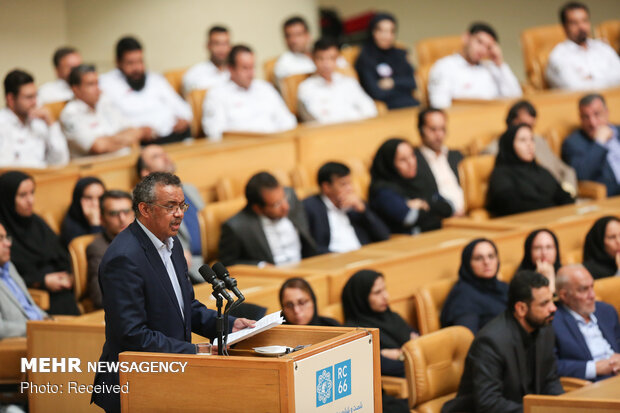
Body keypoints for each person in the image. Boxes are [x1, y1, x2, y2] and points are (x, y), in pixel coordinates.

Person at [91, 172, 255, 413]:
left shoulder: (172, 243)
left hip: (169, 378)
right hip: (135, 385)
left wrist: (229, 327)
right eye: (170, 206)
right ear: (145, 210)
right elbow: (132, 334)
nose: (179, 213)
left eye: (182, 205)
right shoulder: (124, 258)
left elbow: (186, 306)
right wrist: (193, 350)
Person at [442, 270, 563, 413]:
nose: (553, 308)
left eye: (552, 300)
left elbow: (550, 380)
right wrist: (537, 411)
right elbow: (489, 404)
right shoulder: (490, 342)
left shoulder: (544, 329)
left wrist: (561, 407)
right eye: (544, 304)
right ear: (521, 309)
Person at [0, 171, 79, 315]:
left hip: (61, 289)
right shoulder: (2, 232)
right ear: (7, 199)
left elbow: (61, 254)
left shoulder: (37, 223)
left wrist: (68, 275)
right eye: (23, 195)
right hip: (34, 297)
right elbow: (7, 276)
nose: (30, 200)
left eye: (32, 193)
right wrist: (42, 281)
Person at [99, 36, 192, 145]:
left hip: (174, 135)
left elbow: (184, 109)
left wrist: (184, 120)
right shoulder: (106, 84)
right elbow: (109, 122)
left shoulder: (155, 79)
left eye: (140, 61)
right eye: (130, 63)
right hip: (141, 143)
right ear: (118, 62)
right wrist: (139, 132)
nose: (137, 68)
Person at [136, 144, 205, 284]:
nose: (164, 157)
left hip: (209, 262)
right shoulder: (144, 203)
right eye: (156, 156)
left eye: (164, 153)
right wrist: (176, 254)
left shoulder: (190, 189)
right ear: (145, 172)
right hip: (183, 269)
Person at [219, 171, 317, 267]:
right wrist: (260, 266)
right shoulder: (237, 227)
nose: (285, 207)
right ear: (257, 208)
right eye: (276, 204)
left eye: (284, 198)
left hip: (306, 268)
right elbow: (227, 264)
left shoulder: (291, 197)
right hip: (272, 277)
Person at [202, 45, 297, 141]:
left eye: (252, 67)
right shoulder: (217, 95)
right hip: (241, 149)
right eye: (245, 68)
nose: (251, 74)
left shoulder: (265, 88)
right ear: (231, 69)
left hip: (275, 144)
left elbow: (288, 121)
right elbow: (215, 133)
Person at [484, 100, 578, 195]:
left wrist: (568, 190)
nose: (528, 131)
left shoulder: (539, 141)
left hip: (560, 196)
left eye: (531, 127)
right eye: (524, 125)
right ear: (510, 123)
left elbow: (566, 170)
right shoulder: (494, 150)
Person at [60, 64, 151, 158]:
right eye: (91, 84)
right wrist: (126, 138)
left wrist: (110, 141)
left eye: (97, 83)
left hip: (125, 159)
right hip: (98, 167)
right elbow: (99, 147)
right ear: (76, 90)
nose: (98, 89)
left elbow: (134, 130)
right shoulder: (70, 114)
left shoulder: (104, 102)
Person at [342, 269, 418, 377]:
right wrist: (408, 355)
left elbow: (418, 339)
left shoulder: (391, 316)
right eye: (377, 292)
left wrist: (401, 355)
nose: (386, 296)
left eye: (384, 289)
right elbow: (378, 365)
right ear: (361, 298)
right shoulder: (356, 332)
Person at [486, 123, 574, 217]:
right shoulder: (501, 174)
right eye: (522, 140)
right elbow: (510, 205)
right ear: (510, 144)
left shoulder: (541, 170)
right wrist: (551, 208)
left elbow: (564, 197)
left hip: (553, 220)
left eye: (531, 139)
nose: (529, 145)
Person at [368, 138, 453, 234]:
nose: (411, 163)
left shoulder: (420, 180)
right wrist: (433, 208)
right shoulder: (383, 190)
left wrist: (423, 204)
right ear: (390, 164)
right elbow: (409, 217)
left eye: (412, 155)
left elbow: (449, 207)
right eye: (403, 160)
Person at [428, 22, 522, 108]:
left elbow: (516, 98)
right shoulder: (445, 66)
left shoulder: (491, 67)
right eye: (479, 42)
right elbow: (439, 105)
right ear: (466, 38)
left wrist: (500, 64)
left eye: (488, 47)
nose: (482, 50)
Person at [303, 162, 389, 254]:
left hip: (362, 256)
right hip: (332, 261)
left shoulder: (356, 205)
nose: (350, 189)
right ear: (326, 187)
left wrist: (364, 211)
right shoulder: (310, 207)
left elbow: (383, 235)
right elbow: (311, 248)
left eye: (350, 183)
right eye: (343, 184)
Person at [553, 264, 620, 381]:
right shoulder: (553, 322)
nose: (592, 295)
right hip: (592, 385)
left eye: (592, 287)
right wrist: (594, 368)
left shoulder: (606, 311)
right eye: (584, 289)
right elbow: (551, 366)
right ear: (564, 295)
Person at [297, 38, 377, 124]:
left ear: (337, 59)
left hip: (357, 128)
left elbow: (369, 107)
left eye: (331, 58)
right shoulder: (306, 87)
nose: (326, 64)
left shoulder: (349, 82)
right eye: (321, 59)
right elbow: (312, 120)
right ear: (313, 59)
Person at [0, 70, 69, 168]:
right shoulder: (2, 125)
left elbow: (60, 161)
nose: (34, 102)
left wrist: (51, 123)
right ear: (10, 99)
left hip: (44, 179)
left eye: (35, 96)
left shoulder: (39, 122)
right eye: (29, 97)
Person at [546, 2, 620, 90]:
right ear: (564, 27)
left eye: (584, 20)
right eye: (574, 23)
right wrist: (606, 79)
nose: (581, 27)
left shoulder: (602, 47)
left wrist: (590, 80)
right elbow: (573, 87)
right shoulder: (559, 55)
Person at [441, 239, 508, 334]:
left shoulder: (502, 287)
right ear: (468, 264)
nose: (487, 262)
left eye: (491, 256)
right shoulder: (463, 297)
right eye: (478, 258)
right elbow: (468, 341)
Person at [354, 12, 418, 109]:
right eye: (383, 31)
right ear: (373, 32)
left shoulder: (400, 53)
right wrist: (402, 86)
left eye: (391, 32)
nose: (387, 36)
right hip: (387, 107)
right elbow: (376, 92)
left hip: (411, 102)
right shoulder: (365, 57)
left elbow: (413, 82)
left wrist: (392, 82)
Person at [562, 94, 620, 196]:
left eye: (597, 114)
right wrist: (599, 143)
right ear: (580, 118)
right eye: (586, 117)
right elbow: (582, 174)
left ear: (606, 112)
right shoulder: (573, 143)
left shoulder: (618, 131)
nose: (592, 123)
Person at [86, 190, 134, 310]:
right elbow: (99, 296)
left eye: (126, 211)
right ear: (102, 219)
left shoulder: (146, 239)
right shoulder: (98, 248)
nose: (122, 218)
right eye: (113, 213)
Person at [0, 221, 47, 339]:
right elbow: (2, 328)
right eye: (0, 239)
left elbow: (29, 305)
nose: (8, 243)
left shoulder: (9, 267)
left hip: (41, 331)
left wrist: (50, 321)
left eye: (6, 238)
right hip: (23, 340)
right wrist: (36, 328)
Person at [415, 108, 465, 216]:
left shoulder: (456, 156)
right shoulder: (414, 160)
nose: (439, 135)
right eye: (433, 129)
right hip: (442, 217)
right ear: (420, 130)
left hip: (467, 213)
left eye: (442, 129)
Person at [182, 25, 231, 96]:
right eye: (217, 43)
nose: (222, 49)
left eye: (225, 43)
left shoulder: (235, 73)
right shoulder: (194, 75)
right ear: (208, 45)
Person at [60, 177, 106, 247]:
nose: (95, 203)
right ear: (78, 199)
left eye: (100, 198)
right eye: (88, 198)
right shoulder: (72, 228)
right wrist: (95, 226)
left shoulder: (109, 214)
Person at [517, 229, 562, 293]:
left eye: (549, 247)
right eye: (537, 248)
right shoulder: (520, 281)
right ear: (529, 252)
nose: (544, 253)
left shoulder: (564, 274)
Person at [273, 16, 316, 81]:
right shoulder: (284, 63)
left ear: (308, 35)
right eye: (288, 36)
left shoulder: (321, 54)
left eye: (298, 35)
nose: (293, 40)